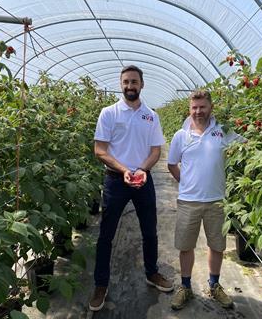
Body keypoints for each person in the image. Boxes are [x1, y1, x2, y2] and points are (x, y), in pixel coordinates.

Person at [89, 65, 174, 312]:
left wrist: (141, 170)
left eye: (134, 82)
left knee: (150, 230)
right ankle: (100, 284)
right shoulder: (109, 113)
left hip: (142, 180)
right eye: (126, 82)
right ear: (121, 84)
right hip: (115, 181)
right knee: (106, 234)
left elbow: (156, 150)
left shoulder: (151, 116)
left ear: (141, 85)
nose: (130, 86)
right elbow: (100, 150)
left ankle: (152, 272)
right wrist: (124, 169)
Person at [167, 90, 247, 310]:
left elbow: (246, 146)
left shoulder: (223, 131)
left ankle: (214, 284)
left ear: (211, 107)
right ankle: (185, 287)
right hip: (188, 201)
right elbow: (172, 163)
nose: (198, 111)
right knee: (185, 246)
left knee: (217, 245)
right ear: (189, 109)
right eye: (194, 107)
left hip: (216, 201)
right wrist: (185, 182)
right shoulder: (180, 136)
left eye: (202, 107)